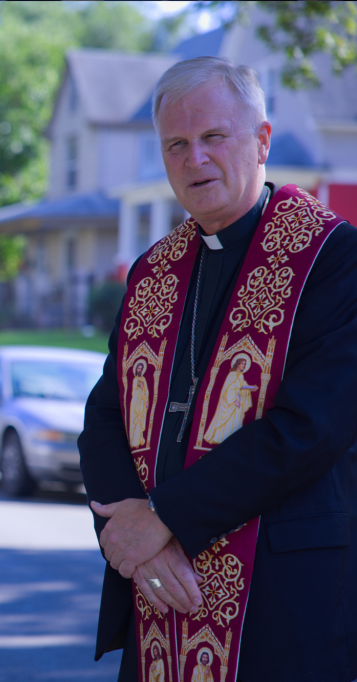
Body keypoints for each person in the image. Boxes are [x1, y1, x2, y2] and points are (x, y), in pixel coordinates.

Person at [79, 56, 357, 681]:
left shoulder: (335, 258)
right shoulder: (153, 271)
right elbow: (104, 415)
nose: (194, 159)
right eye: (176, 144)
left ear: (261, 140)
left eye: (213, 138)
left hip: (279, 598)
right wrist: (129, 530)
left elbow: (311, 429)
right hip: (158, 594)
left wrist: (164, 519)